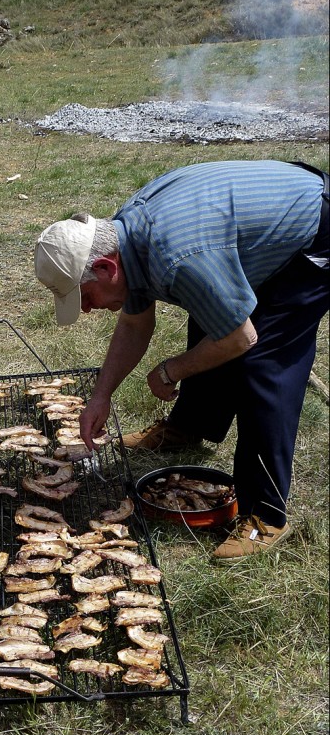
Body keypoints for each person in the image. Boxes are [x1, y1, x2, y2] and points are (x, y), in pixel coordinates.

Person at [34, 159, 329, 562]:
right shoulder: (124, 243)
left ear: (105, 269)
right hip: (246, 226)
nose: (85, 310)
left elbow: (240, 337)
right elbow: (135, 325)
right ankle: (189, 427)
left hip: (314, 233)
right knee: (211, 311)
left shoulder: (177, 255)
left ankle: (266, 514)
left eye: (84, 297)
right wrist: (101, 396)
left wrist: (172, 369)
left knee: (264, 363)